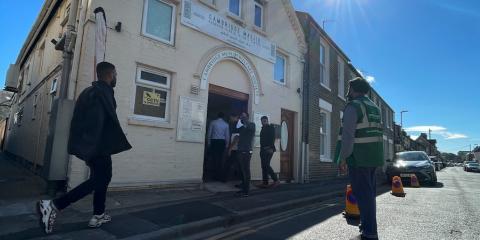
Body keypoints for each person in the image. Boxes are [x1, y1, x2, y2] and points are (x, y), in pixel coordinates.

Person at [37, 62, 132, 234]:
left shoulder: (89, 91)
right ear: (110, 74)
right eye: (115, 74)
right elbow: (95, 122)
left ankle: (99, 214)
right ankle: (54, 205)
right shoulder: (102, 92)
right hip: (98, 146)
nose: (116, 77)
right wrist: (95, 147)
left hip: (93, 145)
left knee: (102, 177)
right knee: (100, 179)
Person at [334, 77, 384, 240]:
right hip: (373, 157)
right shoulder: (374, 107)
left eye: (349, 89)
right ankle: (367, 227)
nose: (348, 92)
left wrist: (343, 158)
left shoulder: (353, 106)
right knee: (368, 195)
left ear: (353, 89)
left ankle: (369, 233)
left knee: (363, 195)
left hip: (359, 157)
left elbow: (348, 135)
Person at [236, 112, 256, 197]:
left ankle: (246, 191)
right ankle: (243, 188)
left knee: (246, 170)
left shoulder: (252, 124)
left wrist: (244, 121)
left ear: (247, 117)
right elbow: (238, 133)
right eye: (241, 116)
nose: (242, 117)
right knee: (242, 170)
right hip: (240, 150)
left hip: (247, 151)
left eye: (244, 116)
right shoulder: (241, 126)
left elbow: (250, 129)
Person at [207, 112, 230, 181]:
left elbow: (209, 133)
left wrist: (208, 142)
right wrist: (227, 144)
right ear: (223, 117)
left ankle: (214, 175)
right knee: (220, 159)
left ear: (217, 116)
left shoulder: (213, 122)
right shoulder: (226, 124)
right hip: (221, 142)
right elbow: (227, 136)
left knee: (214, 158)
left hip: (214, 141)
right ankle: (219, 175)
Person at [258, 116, 279, 188]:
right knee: (263, 166)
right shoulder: (262, 128)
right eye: (262, 121)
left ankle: (276, 180)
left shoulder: (271, 127)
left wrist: (270, 148)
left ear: (267, 121)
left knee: (266, 165)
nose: (263, 122)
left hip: (268, 149)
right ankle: (265, 182)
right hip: (262, 149)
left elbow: (272, 138)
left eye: (264, 121)